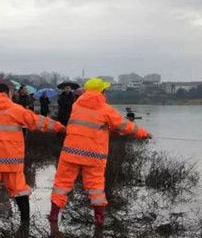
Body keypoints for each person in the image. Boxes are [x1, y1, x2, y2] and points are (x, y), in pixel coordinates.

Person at [49, 78, 151, 226]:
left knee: (61, 184)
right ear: (102, 91)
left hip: (70, 153)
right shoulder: (105, 109)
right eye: (105, 90)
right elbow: (124, 125)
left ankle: (53, 216)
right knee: (96, 187)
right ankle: (99, 219)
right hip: (94, 155)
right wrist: (143, 133)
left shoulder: (76, 105)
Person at [0, 83, 64, 223]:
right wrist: (59, 128)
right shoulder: (15, 109)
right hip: (11, 156)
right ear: (7, 93)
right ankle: (25, 220)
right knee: (18, 187)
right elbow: (37, 121)